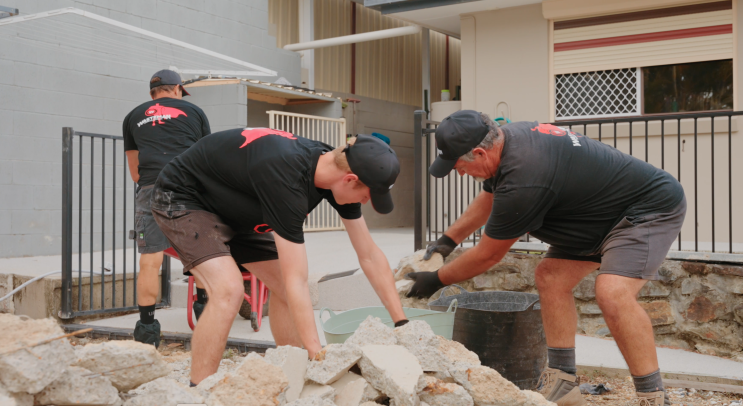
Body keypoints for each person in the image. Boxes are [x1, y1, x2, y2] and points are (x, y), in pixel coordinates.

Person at [407, 110, 686, 406]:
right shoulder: (507, 142)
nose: (460, 173)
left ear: (478, 151)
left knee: (613, 293)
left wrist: (436, 279)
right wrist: (446, 242)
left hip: (646, 209)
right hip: (593, 217)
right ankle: (562, 383)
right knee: (551, 277)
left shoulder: (524, 177)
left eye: (459, 165)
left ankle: (653, 398)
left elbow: (488, 255)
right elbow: (489, 198)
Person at [151, 128, 408, 385]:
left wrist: (402, 323)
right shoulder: (286, 178)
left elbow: (370, 255)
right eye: (366, 196)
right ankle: (200, 391)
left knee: (285, 287)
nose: (364, 202)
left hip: (240, 205)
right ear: (350, 179)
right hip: (185, 197)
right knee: (229, 289)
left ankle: (294, 377)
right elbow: (297, 276)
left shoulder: (334, 165)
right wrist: (319, 356)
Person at [123, 69, 211, 347]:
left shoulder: (132, 117)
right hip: (187, 189)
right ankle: (207, 324)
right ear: (176, 89)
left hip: (150, 189)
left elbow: (135, 173)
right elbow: (205, 159)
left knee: (150, 261)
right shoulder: (194, 112)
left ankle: (147, 333)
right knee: (199, 257)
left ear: (152, 94)